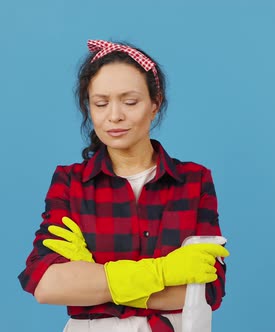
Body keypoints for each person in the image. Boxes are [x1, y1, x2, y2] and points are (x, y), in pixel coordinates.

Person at [18, 39, 229, 332]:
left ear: (155, 104)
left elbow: (209, 290)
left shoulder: (194, 180)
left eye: (130, 102)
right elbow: (46, 284)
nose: (114, 116)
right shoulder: (70, 182)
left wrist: (94, 280)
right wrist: (163, 272)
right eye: (101, 103)